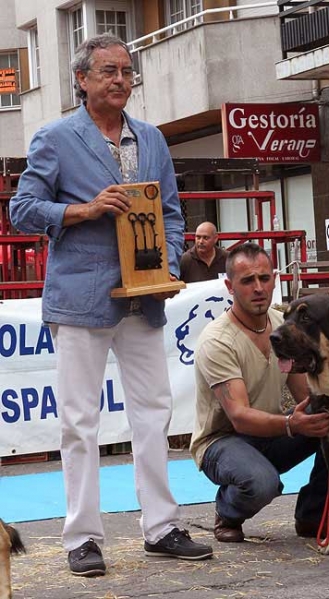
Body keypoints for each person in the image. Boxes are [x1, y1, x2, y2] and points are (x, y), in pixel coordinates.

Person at [9, 34, 213, 577]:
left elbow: (171, 212)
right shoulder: (54, 138)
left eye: (127, 71)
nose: (121, 80)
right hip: (80, 298)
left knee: (155, 413)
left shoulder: (151, 139)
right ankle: (81, 537)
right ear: (82, 79)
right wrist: (83, 211)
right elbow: (22, 211)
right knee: (79, 421)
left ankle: (162, 527)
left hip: (144, 299)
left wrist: (169, 264)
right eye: (108, 71)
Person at [190, 242, 329, 543]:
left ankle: (313, 516)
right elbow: (239, 417)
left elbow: (302, 391)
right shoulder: (217, 341)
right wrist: (292, 424)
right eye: (247, 281)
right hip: (222, 441)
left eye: (264, 279)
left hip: (272, 430)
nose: (258, 288)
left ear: (275, 280)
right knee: (260, 483)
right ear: (229, 286)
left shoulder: (283, 326)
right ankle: (227, 511)